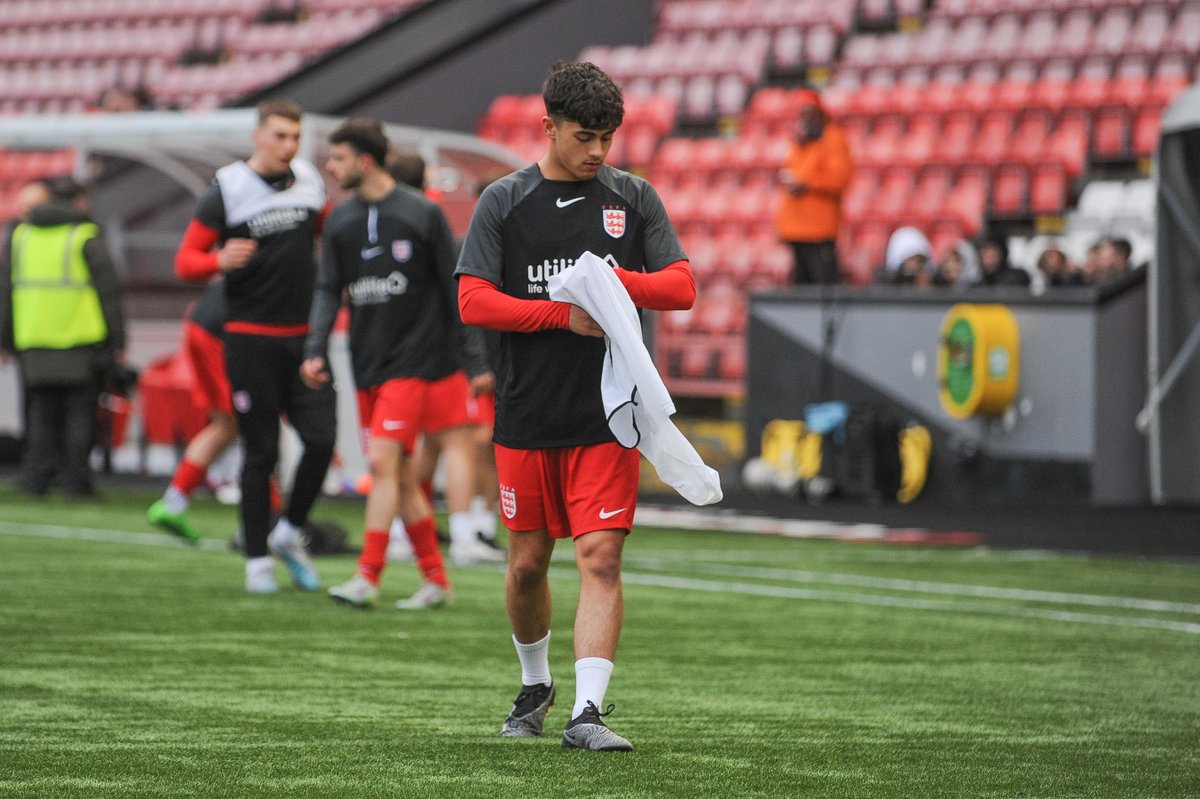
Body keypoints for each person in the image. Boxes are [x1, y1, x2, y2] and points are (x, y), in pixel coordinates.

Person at [456, 61, 696, 752]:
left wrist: (618, 285)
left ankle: (587, 709)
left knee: (600, 556)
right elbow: (473, 300)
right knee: (528, 561)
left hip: (607, 414)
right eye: (585, 136)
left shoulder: (634, 197)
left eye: (608, 138)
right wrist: (562, 315)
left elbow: (680, 286)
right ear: (549, 127)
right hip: (526, 411)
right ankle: (536, 684)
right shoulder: (504, 201)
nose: (597, 151)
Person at [303, 119, 494, 610]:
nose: (330, 165)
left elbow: (455, 290)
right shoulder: (341, 220)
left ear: (365, 161)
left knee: (383, 462)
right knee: (404, 474)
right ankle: (436, 579)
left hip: (416, 361)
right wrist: (315, 348)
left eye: (339, 157)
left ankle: (368, 575)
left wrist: (472, 360)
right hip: (368, 363)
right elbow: (328, 288)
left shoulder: (422, 214)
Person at [174, 98, 336, 594]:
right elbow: (185, 263)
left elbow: (328, 236)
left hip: (303, 338)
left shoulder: (309, 181)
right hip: (249, 340)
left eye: (295, 137)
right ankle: (257, 561)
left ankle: (288, 531)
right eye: (281, 136)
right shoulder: (227, 187)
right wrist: (218, 259)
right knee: (260, 451)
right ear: (259, 137)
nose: (289, 146)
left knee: (322, 439)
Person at [384, 149, 507, 566]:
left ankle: (420, 529)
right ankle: (465, 532)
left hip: (418, 354)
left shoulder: (384, 225)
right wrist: (475, 362)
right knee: (464, 442)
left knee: (433, 446)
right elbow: (459, 303)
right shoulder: (444, 233)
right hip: (458, 357)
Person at [0, 176, 126, 497]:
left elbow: (6, 291)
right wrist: (118, 342)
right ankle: (76, 481)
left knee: (39, 414)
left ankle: (36, 479)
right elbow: (109, 294)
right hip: (79, 338)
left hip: (34, 338)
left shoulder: (21, 236)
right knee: (80, 416)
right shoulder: (84, 235)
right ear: (78, 201)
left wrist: (5, 338)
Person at [146, 280, 239, 543]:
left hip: (202, 325)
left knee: (227, 426)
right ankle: (269, 520)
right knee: (250, 423)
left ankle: (173, 502)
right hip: (220, 333)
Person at [773, 88, 853, 284]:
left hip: (820, 230)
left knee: (822, 287)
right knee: (801, 290)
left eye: (808, 112)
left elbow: (839, 179)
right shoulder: (798, 142)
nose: (803, 118)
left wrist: (806, 184)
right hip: (796, 229)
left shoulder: (833, 138)